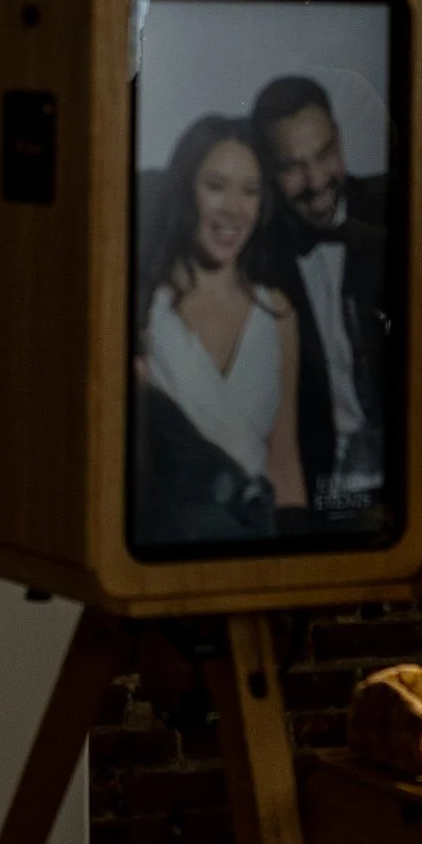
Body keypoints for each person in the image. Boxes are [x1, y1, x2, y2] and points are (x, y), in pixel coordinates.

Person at [132, 113, 306, 539]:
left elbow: (283, 463)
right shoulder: (142, 309)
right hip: (166, 545)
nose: (233, 208)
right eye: (215, 186)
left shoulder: (277, 314)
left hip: (255, 544)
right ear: (186, 190)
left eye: (249, 191)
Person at [248, 71, 391, 516]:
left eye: (325, 153)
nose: (315, 181)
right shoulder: (256, 255)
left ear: (339, 138)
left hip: (403, 486)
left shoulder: (398, 212)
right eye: (292, 166)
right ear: (269, 171)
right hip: (308, 493)